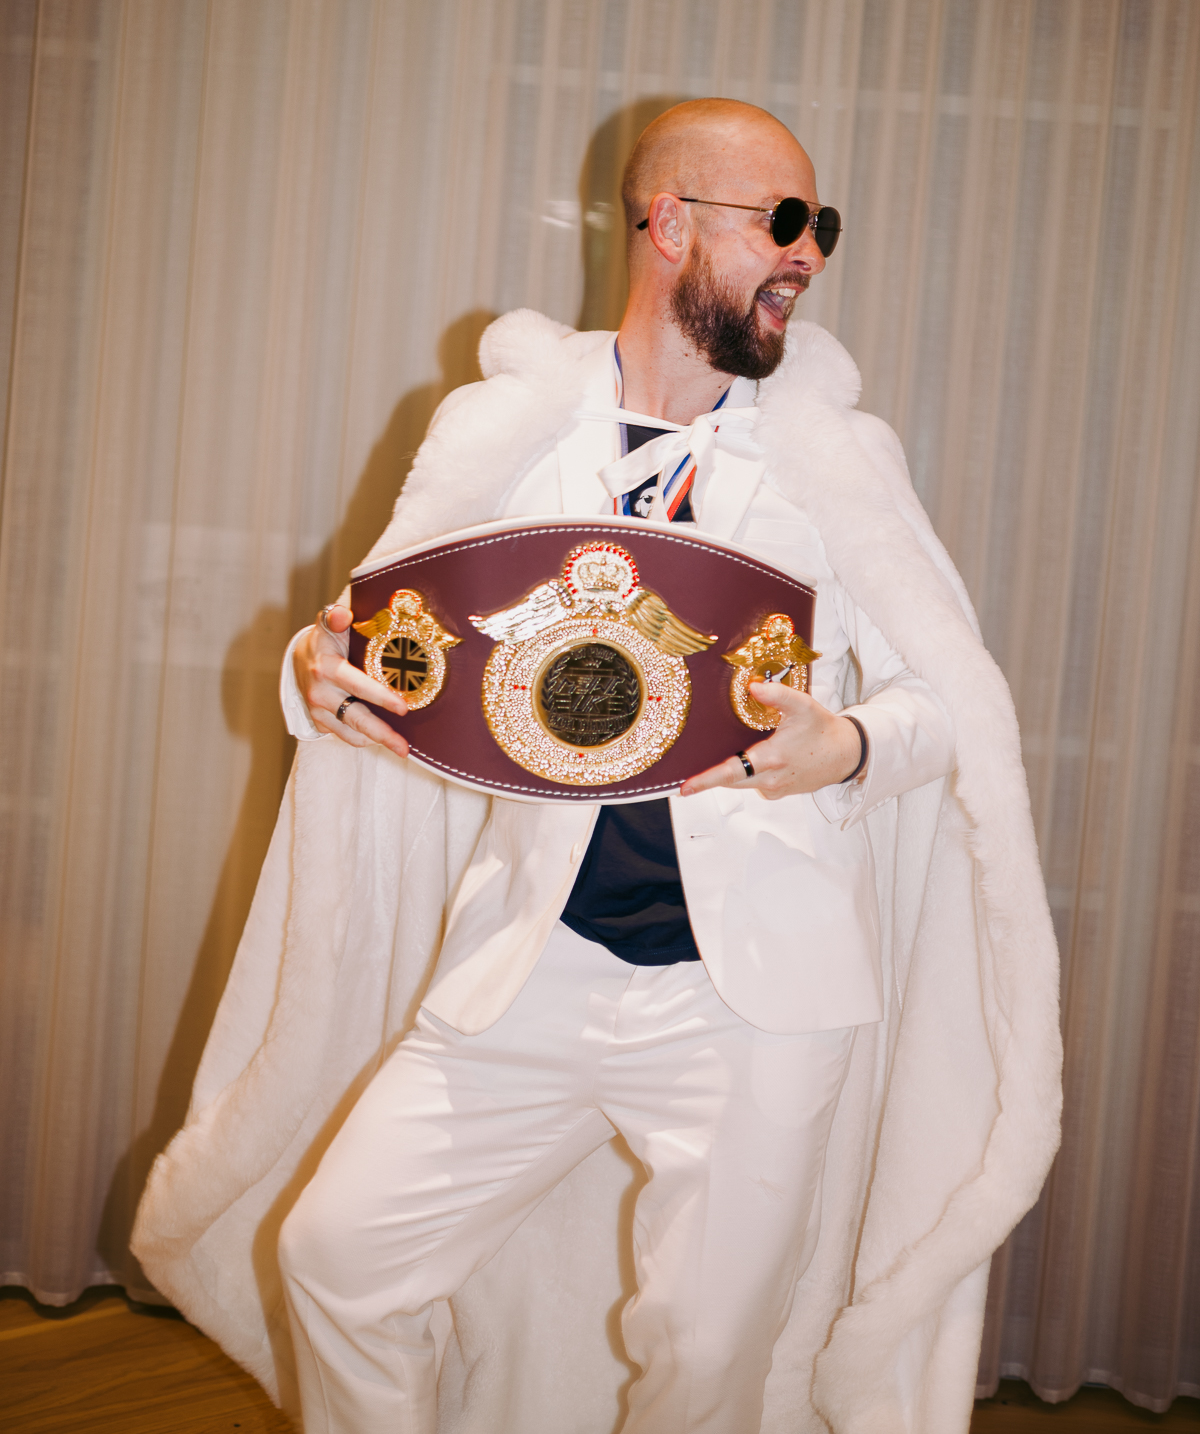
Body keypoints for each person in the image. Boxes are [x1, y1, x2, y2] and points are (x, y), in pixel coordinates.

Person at [133, 100, 1061, 1434]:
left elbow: (953, 701)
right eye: (782, 221)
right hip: (533, 963)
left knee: (706, 1361)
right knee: (336, 1260)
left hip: (755, 1001)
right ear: (669, 222)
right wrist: (313, 672)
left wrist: (849, 743)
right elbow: (379, 628)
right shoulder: (505, 437)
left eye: (822, 226)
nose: (808, 254)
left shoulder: (835, 465)